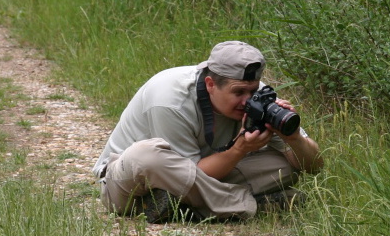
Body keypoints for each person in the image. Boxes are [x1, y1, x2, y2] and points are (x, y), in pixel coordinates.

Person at [93, 41, 323, 223]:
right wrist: (240, 149)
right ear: (211, 84)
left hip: (199, 179)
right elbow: (186, 173)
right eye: (239, 92)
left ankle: (186, 208)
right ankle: (248, 205)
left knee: (284, 165)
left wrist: (292, 138)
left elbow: (314, 167)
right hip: (131, 185)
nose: (247, 100)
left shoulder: (259, 96)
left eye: (252, 91)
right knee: (146, 156)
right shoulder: (169, 98)